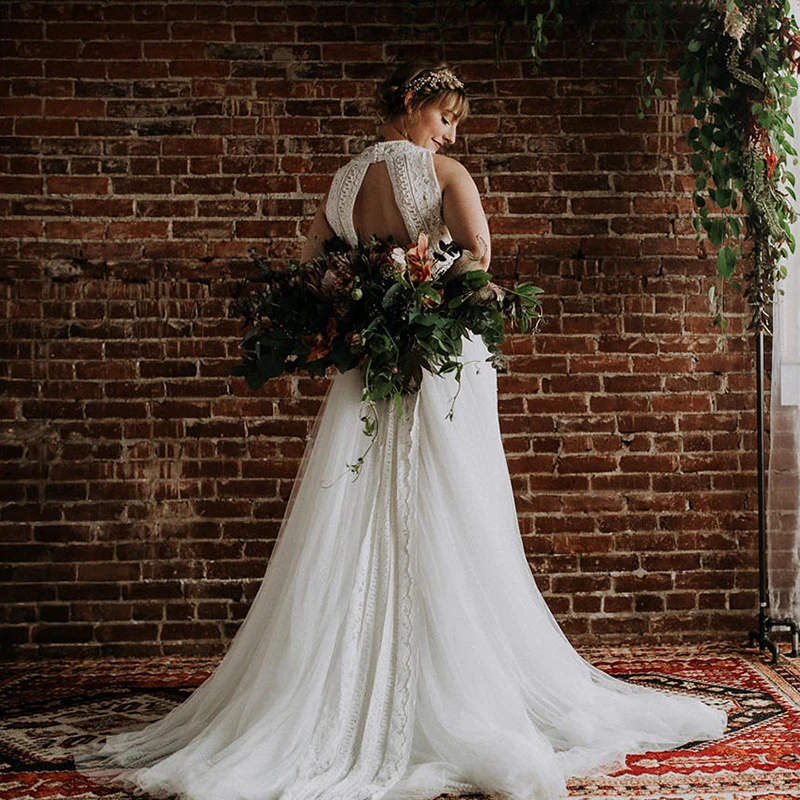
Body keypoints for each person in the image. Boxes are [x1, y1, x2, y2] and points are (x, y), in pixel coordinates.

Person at [77, 61, 727, 800]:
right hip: (441, 361)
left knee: (361, 514)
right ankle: (453, 688)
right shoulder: (444, 174)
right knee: (456, 510)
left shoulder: (344, 184)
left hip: (368, 368)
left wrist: (362, 303)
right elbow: (479, 260)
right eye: (445, 117)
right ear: (414, 105)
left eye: (452, 125)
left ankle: (355, 684)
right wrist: (430, 285)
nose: (450, 133)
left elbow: (305, 270)